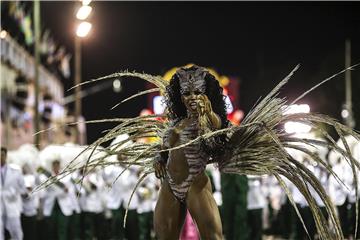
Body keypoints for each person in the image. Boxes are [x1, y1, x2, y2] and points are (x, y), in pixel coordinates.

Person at [0, 146, 27, 240]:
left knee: (16, 230)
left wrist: (17, 192)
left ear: (5, 156)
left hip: (12, 204)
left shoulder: (15, 170)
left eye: (2, 155)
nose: (0, 157)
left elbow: (23, 188)